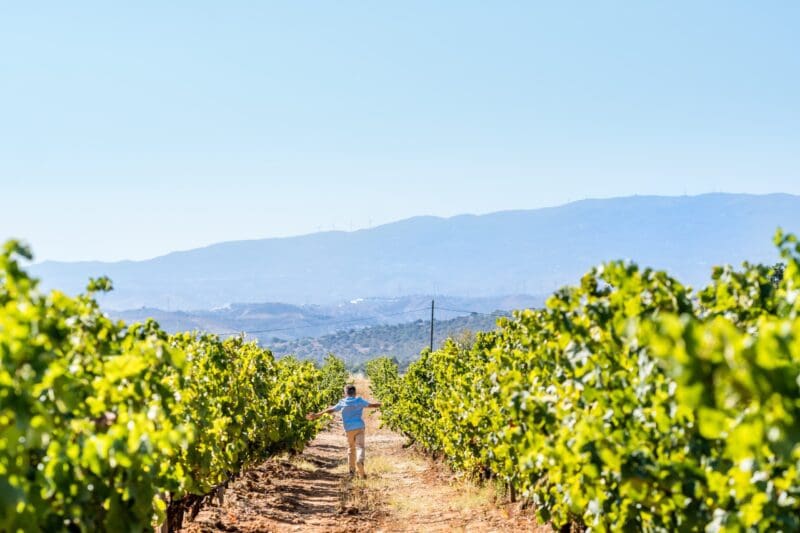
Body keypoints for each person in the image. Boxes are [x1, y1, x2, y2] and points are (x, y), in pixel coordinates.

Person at [306, 384, 381, 478]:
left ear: (345, 393)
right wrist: (382, 404)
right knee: (360, 447)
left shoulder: (342, 402)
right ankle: (360, 462)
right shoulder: (359, 400)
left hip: (349, 429)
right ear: (355, 392)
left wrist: (317, 415)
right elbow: (372, 405)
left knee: (351, 448)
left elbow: (330, 410)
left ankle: (352, 471)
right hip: (360, 427)